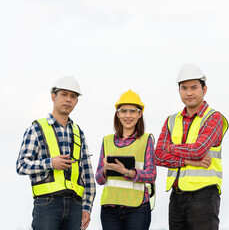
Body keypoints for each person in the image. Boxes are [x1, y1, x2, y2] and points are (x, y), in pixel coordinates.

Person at [155, 63, 229, 230]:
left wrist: (170, 147)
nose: (189, 92)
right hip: (176, 197)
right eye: (184, 88)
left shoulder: (214, 118)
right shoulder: (171, 120)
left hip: (203, 196)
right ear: (179, 90)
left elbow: (198, 150)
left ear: (204, 89)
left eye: (194, 87)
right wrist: (189, 161)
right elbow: (157, 155)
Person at [16, 76, 96, 230]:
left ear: (76, 101)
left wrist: (87, 207)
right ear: (53, 96)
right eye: (64, 94)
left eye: (73, 96)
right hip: (47, 204)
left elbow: (87, 174)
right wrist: (51, 163)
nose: (68, 100)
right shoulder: (37, 128)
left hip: (75, 206)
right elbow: (21, 165)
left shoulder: (79, 133)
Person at [96, 90, 156, 230]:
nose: (127, 116)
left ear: (139, 114)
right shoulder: (107, 140)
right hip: (110, 209)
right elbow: (99, 179)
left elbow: (152, 175)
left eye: (132, 111)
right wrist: (105, 169)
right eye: (123, 111)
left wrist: (126, 172)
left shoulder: (146, 140)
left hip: (137, 209)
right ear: (117, 114)